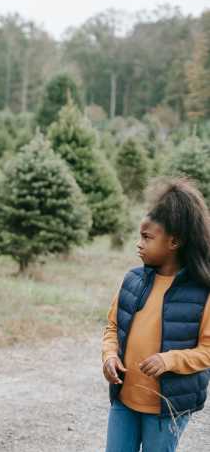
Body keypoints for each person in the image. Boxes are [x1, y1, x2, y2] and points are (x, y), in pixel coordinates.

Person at [102, 178, 210, 452]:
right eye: (140, 236)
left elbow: (208, 351)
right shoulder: (132, 280)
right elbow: (113, 326)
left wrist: (170, 360)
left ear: (174, 241)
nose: (139, 244)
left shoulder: (202, 294)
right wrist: (109, 356)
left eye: (147, 238)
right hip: (124, 402)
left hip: (166, 409)